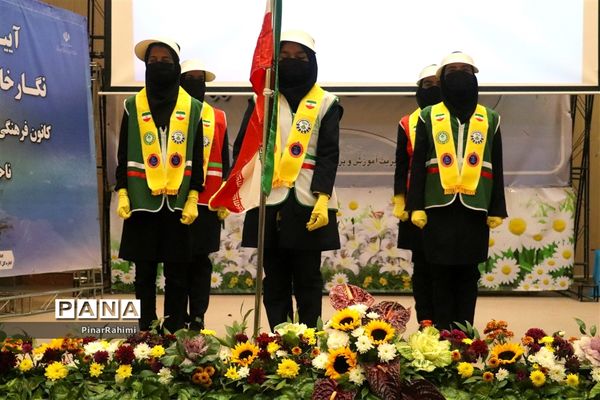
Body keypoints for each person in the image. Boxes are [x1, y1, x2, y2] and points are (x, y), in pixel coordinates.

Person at [233, 30, 343, 331]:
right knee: (275, 278)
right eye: (284, 57)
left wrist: (323, 197)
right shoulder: (262, 100)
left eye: (300, 57)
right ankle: (280, 340)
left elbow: (329, 154)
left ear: (312, 61)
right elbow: (243, 149)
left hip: (309, 201)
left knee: (308, 278)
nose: (292, 62)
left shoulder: (326, 102)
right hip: (269, 199)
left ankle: (309, 340)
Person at [406, 51, 507, 330]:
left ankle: (464, 335)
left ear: (474, 78)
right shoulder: (428, 116)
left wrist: (497, 207)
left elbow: (497, 164)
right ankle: (441, 335)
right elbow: (418, 165)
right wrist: (415, 206)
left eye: (466, 70)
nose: (460, 75)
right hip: (437, 207)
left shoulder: (490, 118)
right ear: (442, 80)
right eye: (453, 71)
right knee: (438, 274)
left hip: (475, 208)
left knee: (468, 275)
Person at [115, 38, 204, 332]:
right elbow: (124, 153)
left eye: (165, 61)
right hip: (142, 200)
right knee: (144, 274)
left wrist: (194, 195)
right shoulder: (132, 105)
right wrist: (123, 191)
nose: (158, 66)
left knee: (177, 274)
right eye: (153, 61)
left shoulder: (192, 108)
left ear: (176, 66)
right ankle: (146, 329)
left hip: (178, 203)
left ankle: (174, 329)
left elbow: (197, 156)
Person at [179, 59, 230, 330]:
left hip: (208, 202)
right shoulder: (172, 115)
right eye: (190, 78)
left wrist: (225, 198)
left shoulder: (218, 117)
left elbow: (225, 161)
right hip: (176, 199)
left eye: (200, 79)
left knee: (201, 262)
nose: (195, 83)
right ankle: (177, 316)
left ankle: (198, 316)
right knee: (178, 262)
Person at [394, 64, 441, 325]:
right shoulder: (407, 122)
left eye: (438, 84)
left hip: (447, 201)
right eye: (427, 85)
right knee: (421, 265)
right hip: (416, 204)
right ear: (419, 90)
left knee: (445, 266)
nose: (433, 89)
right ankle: (426, 321)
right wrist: (400, 199)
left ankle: (447, 323)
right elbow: (401, 166)